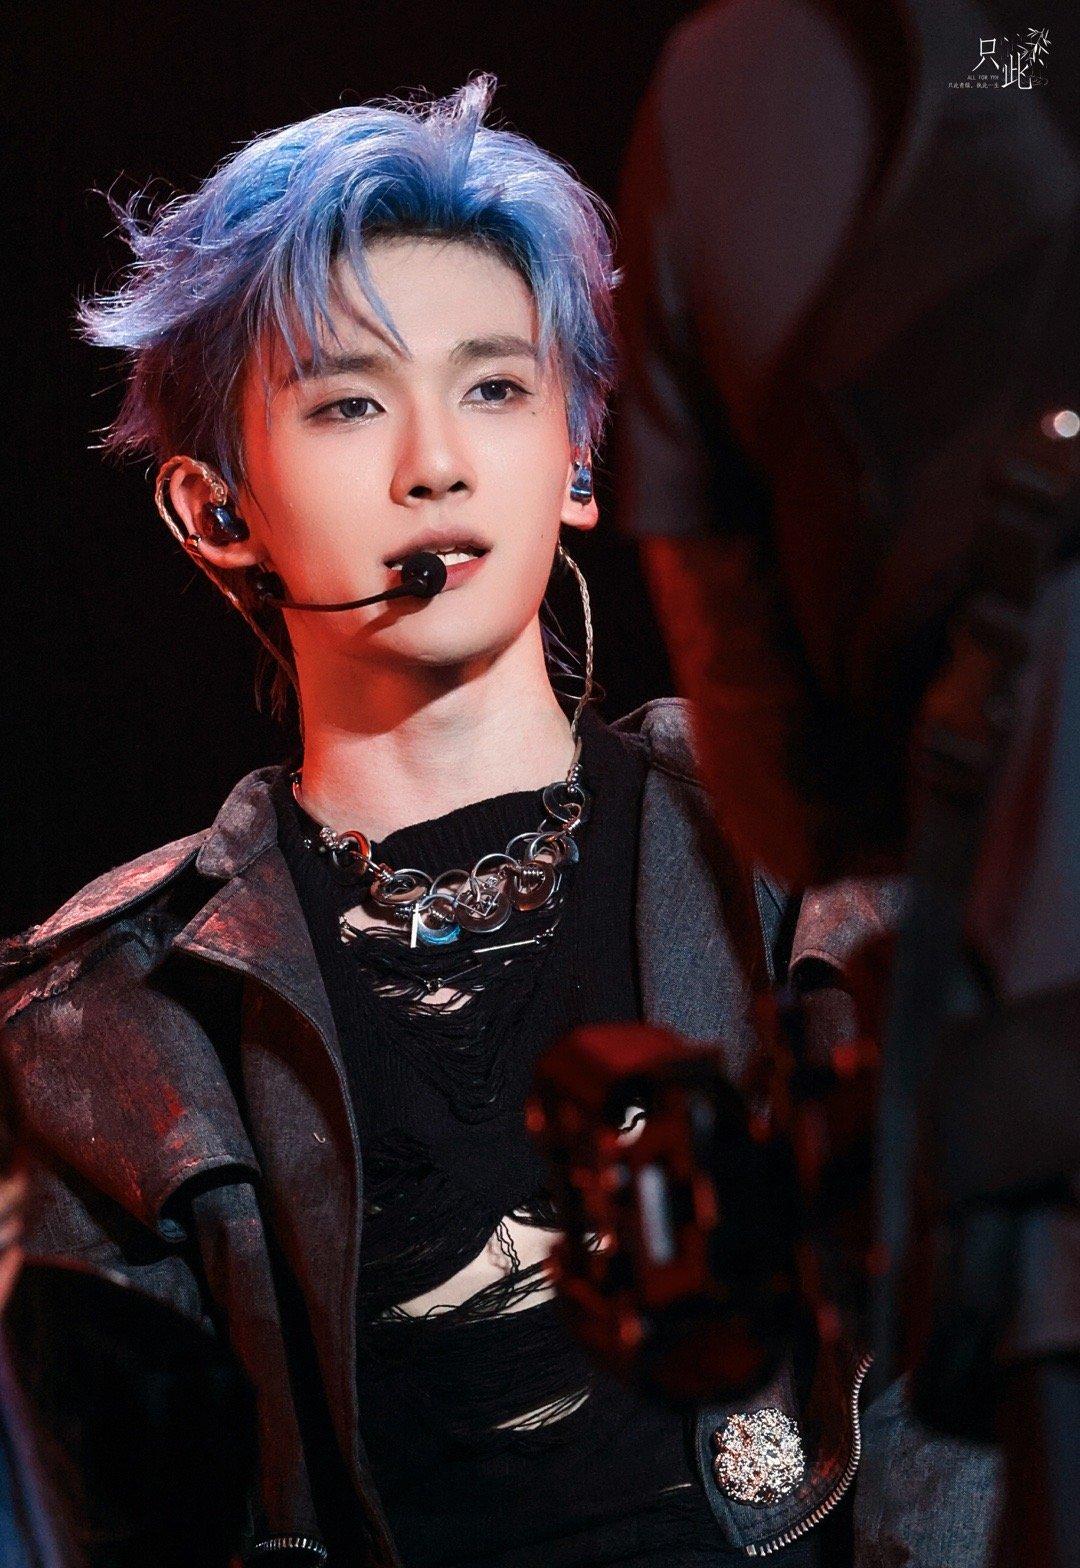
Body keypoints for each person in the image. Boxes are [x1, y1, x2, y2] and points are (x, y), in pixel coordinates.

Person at [0, 76, 883, 1567]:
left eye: (495, 388)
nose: (435, 462)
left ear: (580, 454)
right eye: (350, 402)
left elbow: (956, 1431)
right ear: (217, 510)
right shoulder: (104, 1026)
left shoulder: (805, 849)